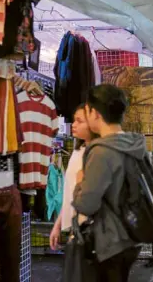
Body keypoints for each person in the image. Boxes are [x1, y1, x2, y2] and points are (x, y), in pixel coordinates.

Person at [72, 84, 144, 281]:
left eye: (86, 112)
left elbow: (86, 204)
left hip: (109, 241)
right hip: (132, 234)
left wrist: (79, 182)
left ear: (95, 113)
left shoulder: (102, 151)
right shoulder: (133, 144)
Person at [49, 104, 97, 251]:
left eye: (79, 121)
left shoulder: (96, 154)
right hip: (78, 231)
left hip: (89, 232)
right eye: (73, 120)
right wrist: (58, 225)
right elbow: (70, 194)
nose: (74, 125)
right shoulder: (78, 152)